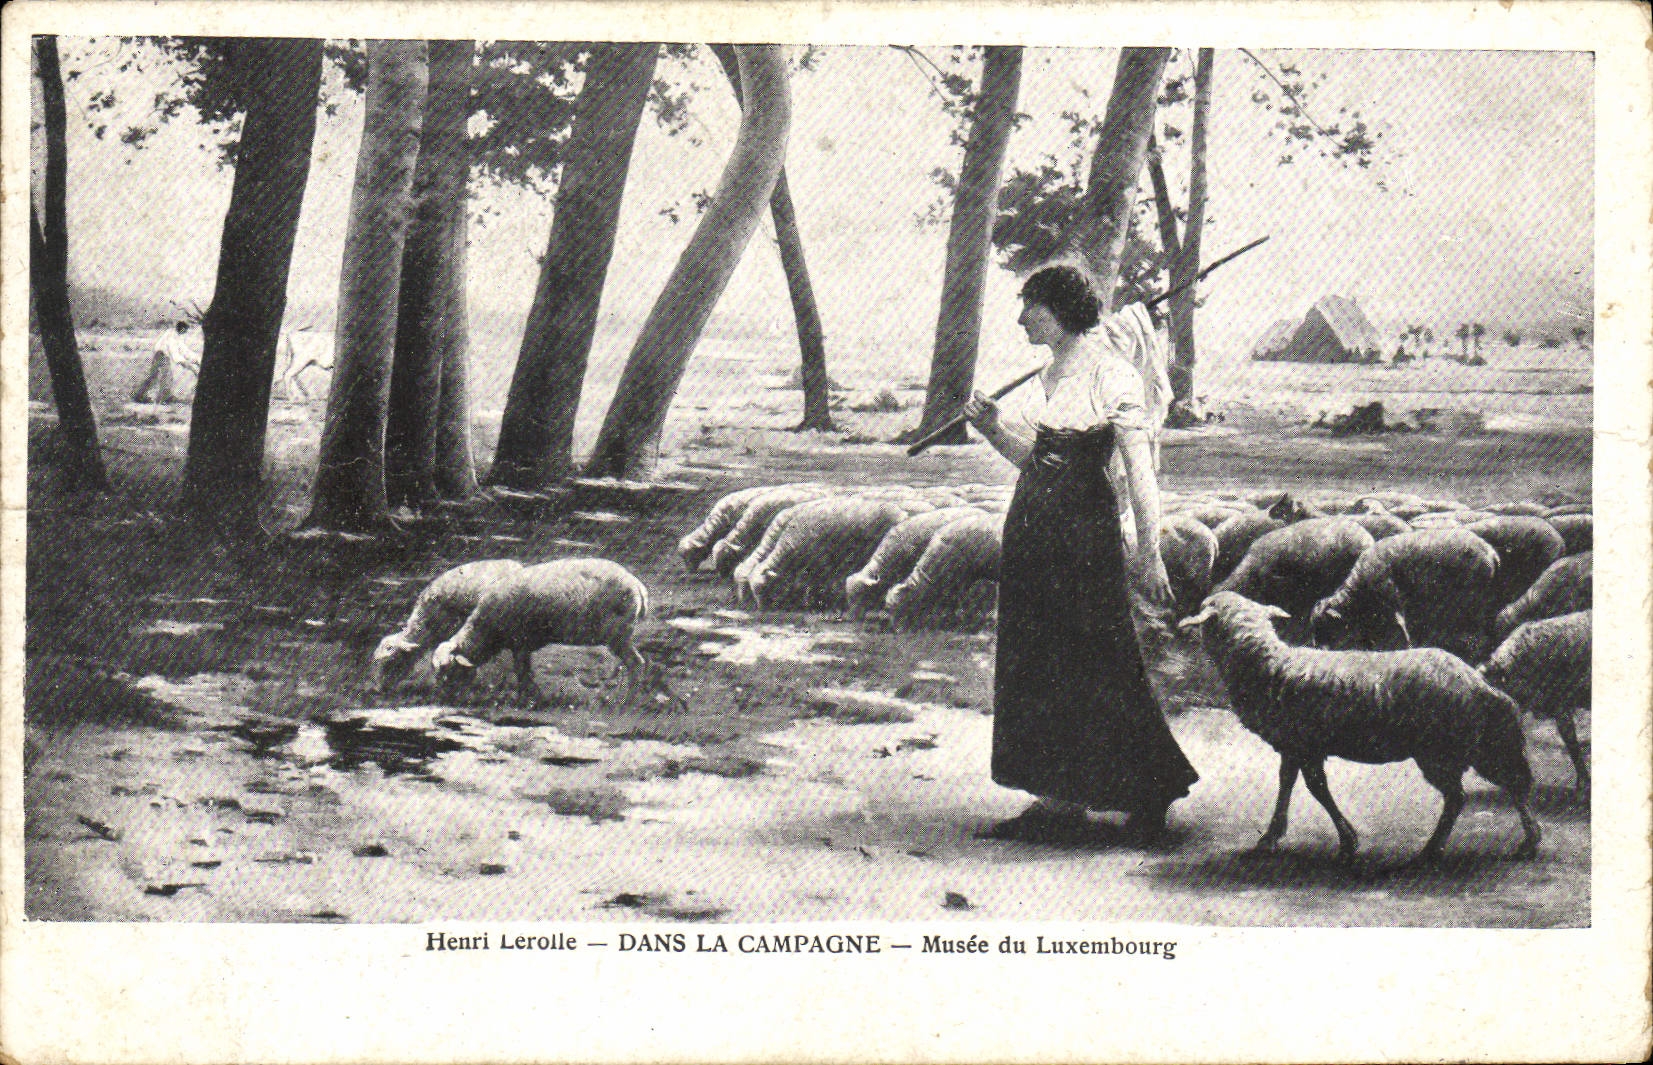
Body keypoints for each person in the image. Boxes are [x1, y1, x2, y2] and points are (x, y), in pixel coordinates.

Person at [962, 265, 1198, 846]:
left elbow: (1139, 470)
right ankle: (1056, 799)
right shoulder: (1053, 371)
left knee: (1098, 656)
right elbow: (1039, 460)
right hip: (1034, 529)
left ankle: (1150, 789)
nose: (1021, 319)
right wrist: (993, 430)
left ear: (1062, 310)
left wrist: (1150, 552)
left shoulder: (1112, 372)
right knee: (1039, 659)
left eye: (1031, 309)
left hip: (1081, 535)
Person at [132, 320, 195, 404]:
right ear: (182, 329)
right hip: (161, 355)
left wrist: (194, 359)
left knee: (156, 377)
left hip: (162, 355)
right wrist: (186, 364)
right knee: (165, 376)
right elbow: (175, 355)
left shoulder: (175, 335)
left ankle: (141, 396)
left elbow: (183, 349)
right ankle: (164, 398)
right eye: (185, 330)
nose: (186, 332)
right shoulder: (172, 337)